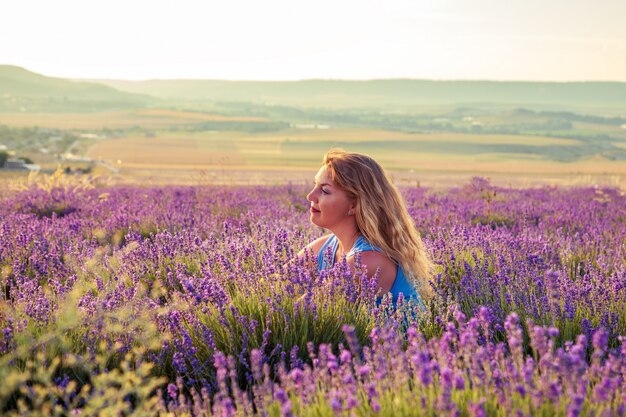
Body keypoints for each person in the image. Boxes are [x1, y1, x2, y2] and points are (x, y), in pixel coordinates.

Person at [297, 148, 433, 307]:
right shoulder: (325, 247)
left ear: (354, 205)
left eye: (325, 191)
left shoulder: (370, 261)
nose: (310, 196)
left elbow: (299, 311)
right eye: (315, 185)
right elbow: (272, 283)